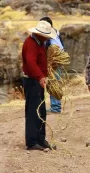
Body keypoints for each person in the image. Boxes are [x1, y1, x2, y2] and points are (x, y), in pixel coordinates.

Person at [22, 20, 57, 150]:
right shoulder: (31, 44)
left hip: (37, 80)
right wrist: (40, 76)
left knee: (41, 110)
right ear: (40, 34)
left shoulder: (40, 43)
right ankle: (32, 142)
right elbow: (31, 63)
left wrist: (44, 75)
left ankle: (41, 139)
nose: (47, 37)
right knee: (33, 111)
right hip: (32, 81)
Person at [40, 16, 64, 114]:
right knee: (53, 83)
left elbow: (52, 48)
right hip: (57, 61)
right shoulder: (56, 32)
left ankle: (56, 107)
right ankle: (55, 106)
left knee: (54, 83)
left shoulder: (50, 35)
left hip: (54, 62)